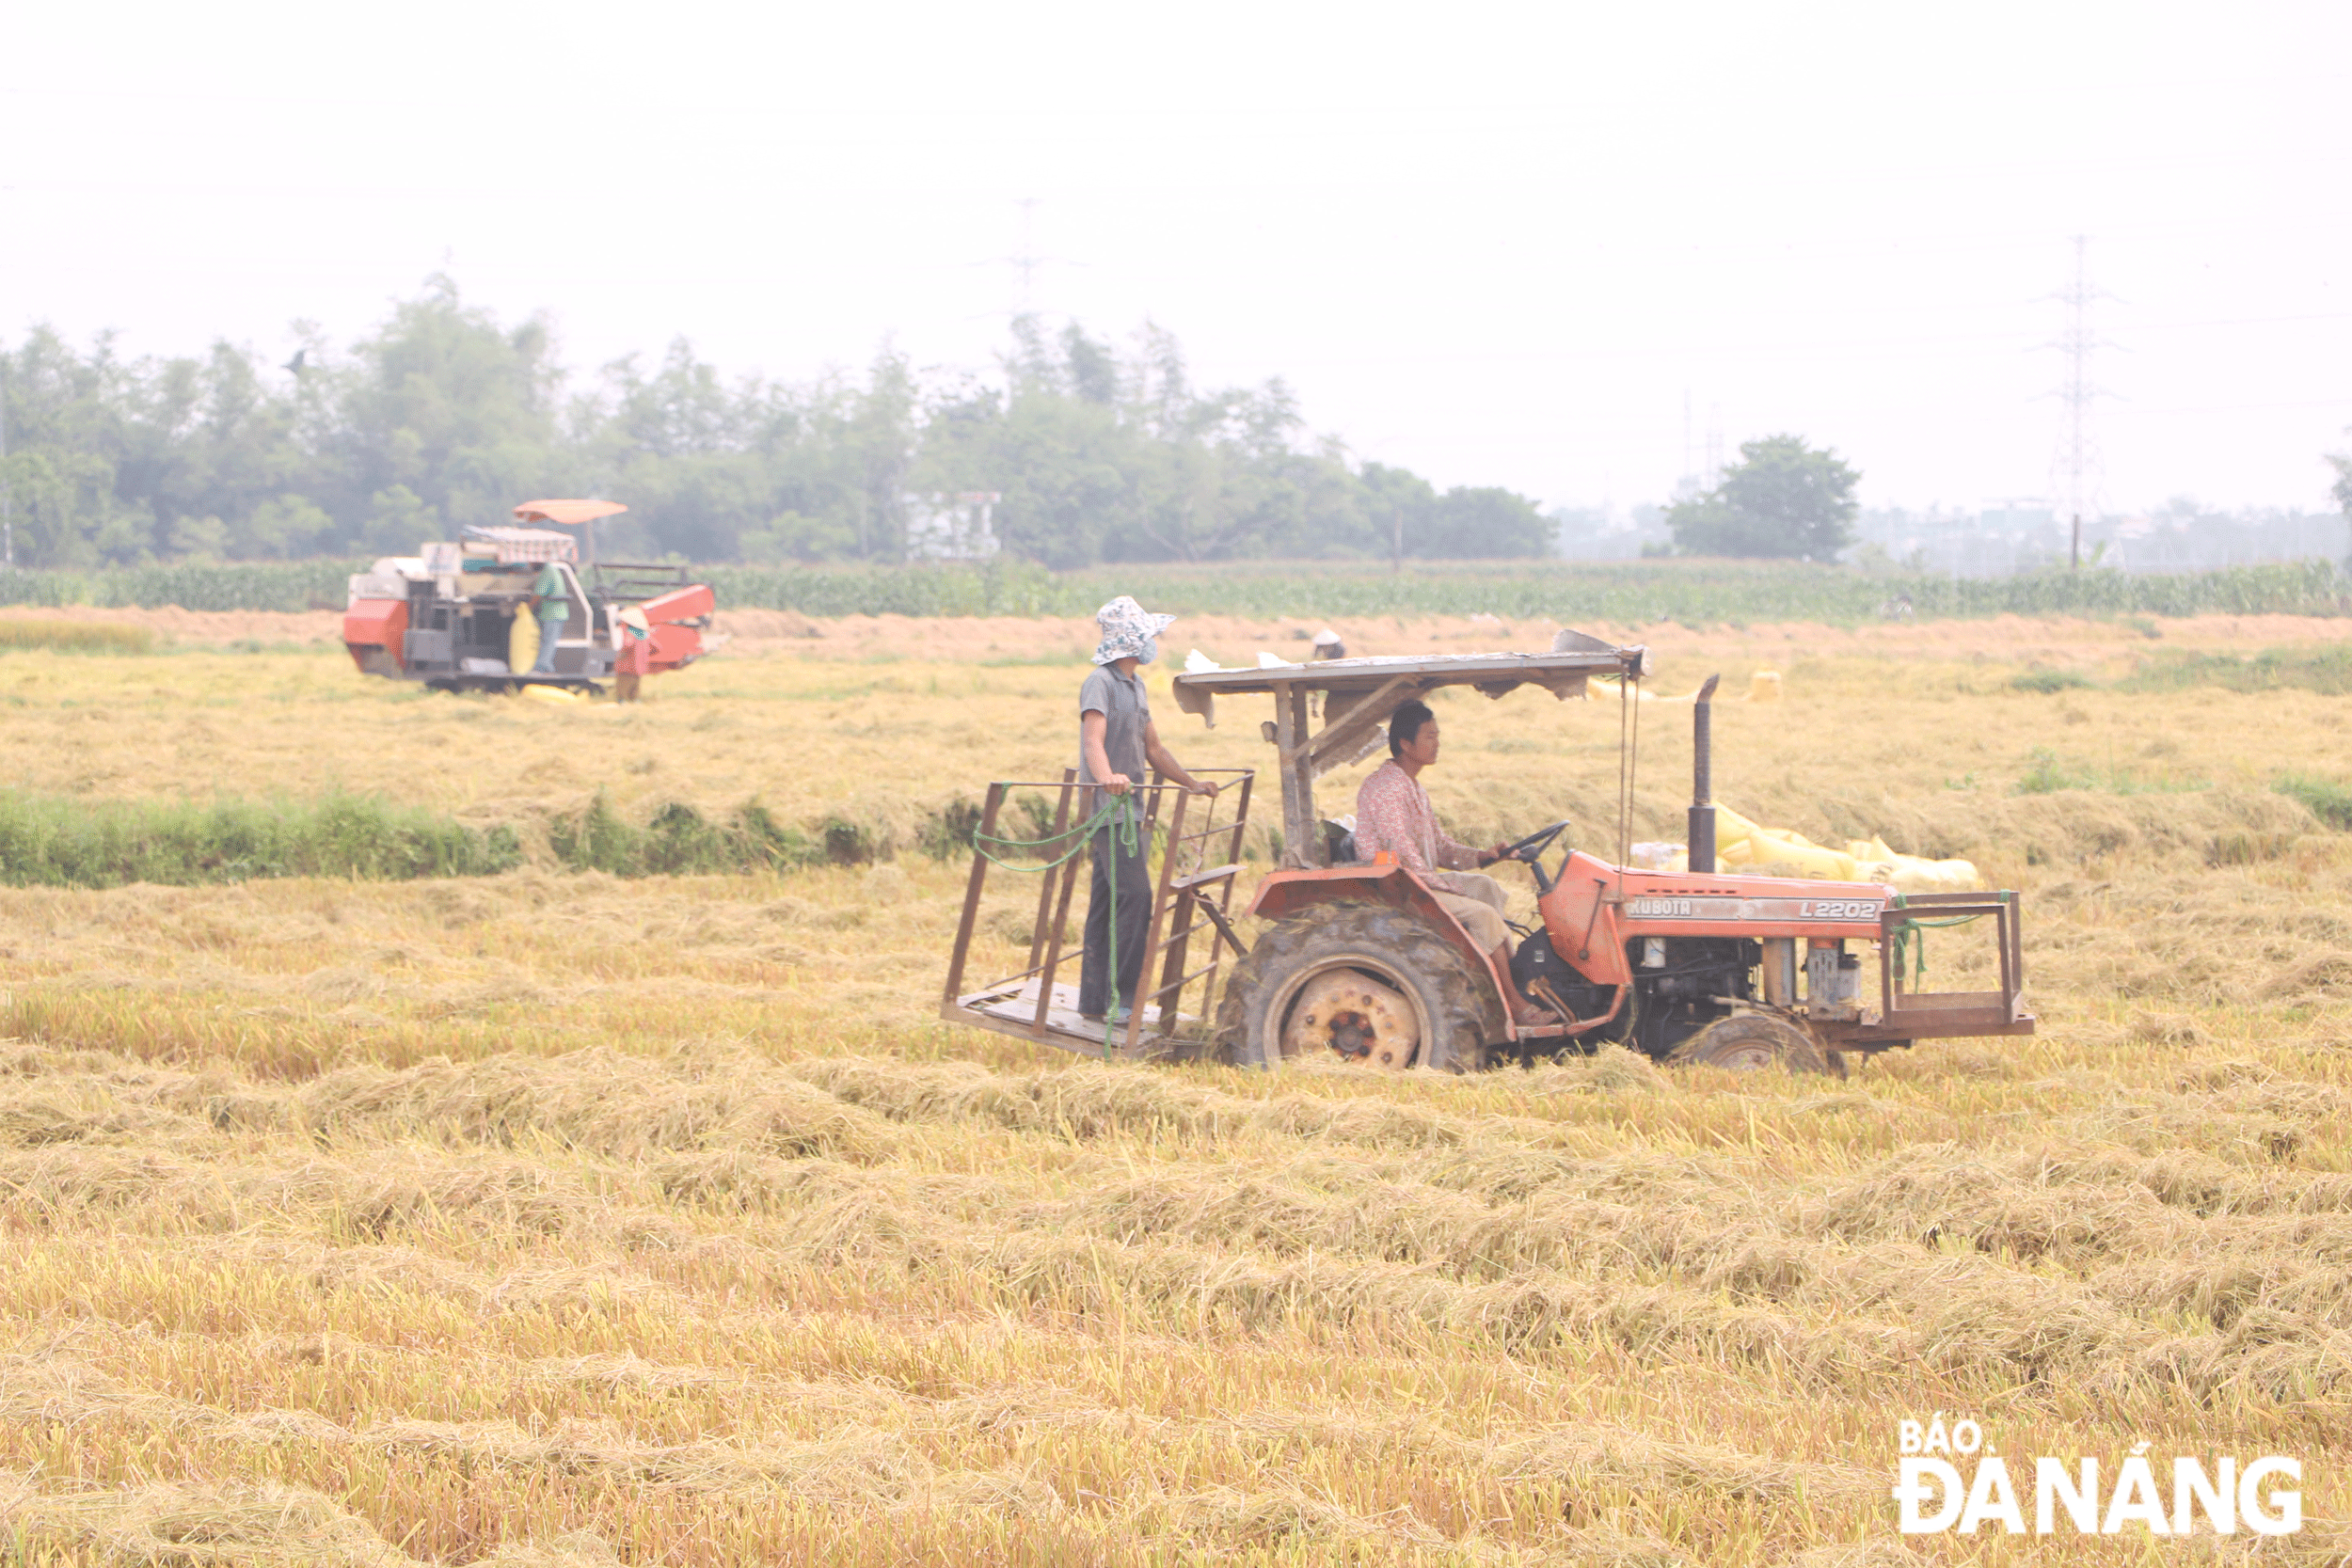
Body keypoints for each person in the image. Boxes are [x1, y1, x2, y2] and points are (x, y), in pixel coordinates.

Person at [1353, 700, 1557, 1027]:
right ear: (1406, 744)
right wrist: (1440, 885)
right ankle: (1513, 1005)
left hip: (1419, 879)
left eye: (1438, 735)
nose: (1437, 743)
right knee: (1483, 915)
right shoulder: (1387, 787)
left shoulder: (1413, 786)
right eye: (1430, 737)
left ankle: (1510, 977)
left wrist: (1483, 856)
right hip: (1400, 888)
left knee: (1486, 887)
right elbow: (1400, 848)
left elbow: (1442, 846)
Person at [1078, 595, 1217, 1025]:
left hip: (1131, 809)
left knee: (1106, 902)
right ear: (1132, 640)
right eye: (1150, 635)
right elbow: (1092, 742)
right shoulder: (1098, 682)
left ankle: (1092, 1002)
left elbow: (1153, 748)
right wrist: (1108, 778)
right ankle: (1124, 1001)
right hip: (1109, 810)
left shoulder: (1135, 687)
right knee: (1137, 896)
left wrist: (1192, 783)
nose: (1156, 642)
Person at [527, 559, 569, 674]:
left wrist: (527, 608)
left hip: (553, 613)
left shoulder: (547, 572)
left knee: (547, 641)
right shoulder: (550, 570)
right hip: (551, 613)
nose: (530, 564)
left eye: (531, 562)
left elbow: (538, 595)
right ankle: (545, 667)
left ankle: (541, 667)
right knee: (547, 640)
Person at [613, 606, 653, 702]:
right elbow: (655, 647)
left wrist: (619, 655)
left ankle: (622, 699)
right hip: (639, 665)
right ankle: (635, 699)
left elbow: (628, 644)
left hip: (627, 664)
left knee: (623, 682)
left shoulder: (629, 633)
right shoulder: (645, 634)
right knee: (635, 683)